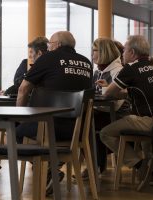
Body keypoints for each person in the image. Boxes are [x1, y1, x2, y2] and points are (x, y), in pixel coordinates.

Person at [16, 31, 93, 194]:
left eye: (50, 44)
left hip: (48, 127)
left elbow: (23, 89)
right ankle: (52, 167)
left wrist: (20, 119)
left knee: (17, 131)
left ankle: (50, 170)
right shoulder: (86, 63)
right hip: (77, 129)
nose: (49, 48)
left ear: (57, 44)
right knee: (28, 130)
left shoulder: (47, 58)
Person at [99, 35, 153, 179]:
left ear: (132, 53)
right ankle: (152, 170)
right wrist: (115, 89)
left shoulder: (131, 68)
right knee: (136, 123)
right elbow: (136, 91)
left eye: (124, 50)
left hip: (147, 121)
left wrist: (108, 88)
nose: (121, 54)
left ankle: (139, 165)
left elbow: (108, 95)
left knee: (105, 133)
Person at [89, 38, 130, 175]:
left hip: (117, 114)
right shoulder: (98, 71)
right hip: (104, 112)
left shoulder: (118, 71)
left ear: (103, 52)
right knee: (85, 121)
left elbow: (117, 102)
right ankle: (94, 165)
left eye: (94, 50)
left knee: (87, 123)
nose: (92, 54)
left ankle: (95, 166)